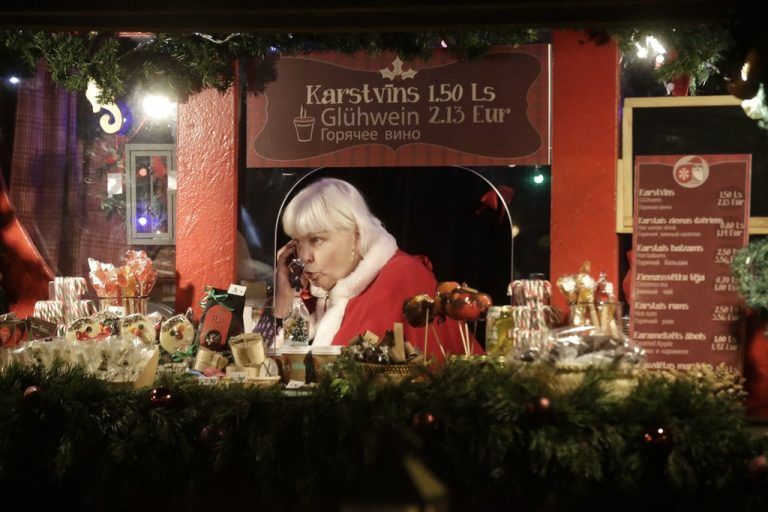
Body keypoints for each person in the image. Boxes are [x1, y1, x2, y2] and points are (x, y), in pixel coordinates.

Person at [274, 178, 482, 359]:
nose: (304, 257)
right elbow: (289, 368)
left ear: (355, 235)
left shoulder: (401, 277)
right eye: (298, 243)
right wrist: (286, 298)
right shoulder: (324, 296)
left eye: (316, 240)